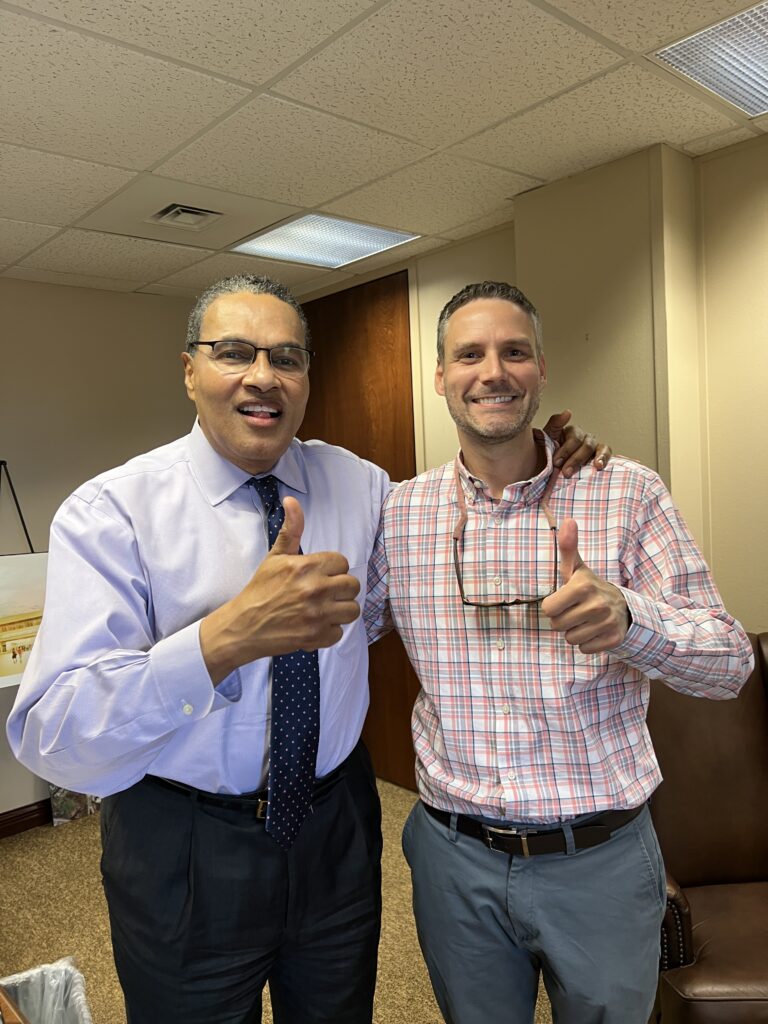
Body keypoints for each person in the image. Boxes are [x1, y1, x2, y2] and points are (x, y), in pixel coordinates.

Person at [6, 274, 606, 1024]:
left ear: (306, 379)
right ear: (190, 371)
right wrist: (224, 640)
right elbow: (53, 736)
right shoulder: (112, 512)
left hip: (336, 825)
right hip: (186, 842)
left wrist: (546, 455)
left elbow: (455, 530)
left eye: (287, 357)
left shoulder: (358, 484)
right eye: (233, 352)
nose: (263, 375)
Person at [364, 280, 754, 1024]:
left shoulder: (625, 492)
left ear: (541, 369)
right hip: (456, 858)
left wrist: (630, 620)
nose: (493, 372)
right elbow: (348, 632)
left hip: (600, 859)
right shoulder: (400, 511)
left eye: (514, 352)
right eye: (469, 355)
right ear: (440, 376)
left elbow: (730, 663)